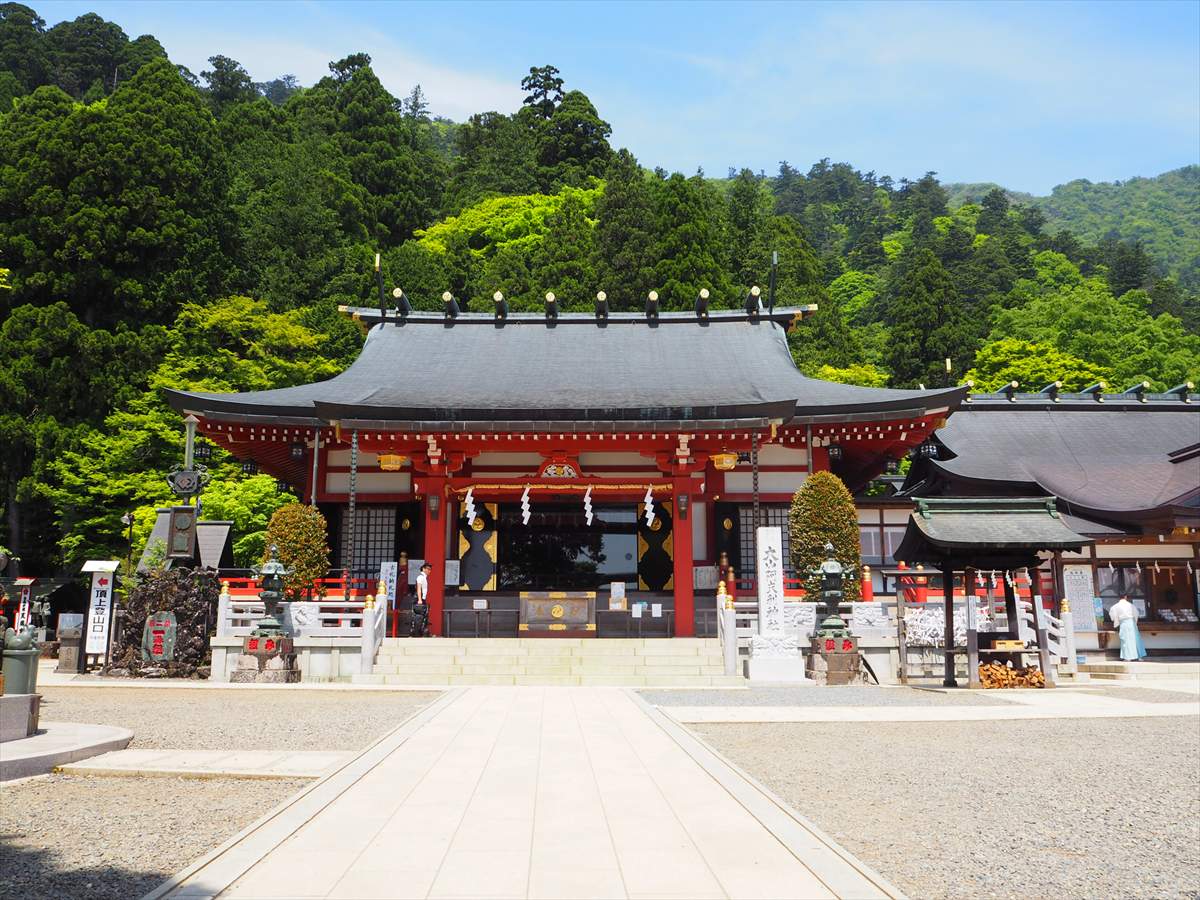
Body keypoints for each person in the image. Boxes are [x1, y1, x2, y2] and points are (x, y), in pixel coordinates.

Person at [1108, 594, 1147, 661]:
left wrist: (1117, 621)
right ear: (1125, 597)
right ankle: (1139, 657)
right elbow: (1136, 613)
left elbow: (1112, 616)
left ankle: (1127, 658)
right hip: (1132, 623)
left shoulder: (1115, 606)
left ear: (1119, 597)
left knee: (1125, 640)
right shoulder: (1131, 605)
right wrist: (1134, 621)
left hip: (1123, 623)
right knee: (1136, 640)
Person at [411, 563, 432, 637]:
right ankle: (416, 632)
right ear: (423, 569)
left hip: (422, 598)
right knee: (418, 616)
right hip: (419, 598)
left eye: (430, 569)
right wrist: (420, 599)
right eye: (428, 569)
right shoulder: (420, 577)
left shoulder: (424, 578)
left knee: (423, 616)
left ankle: (421, 631)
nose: (429, 571)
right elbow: (419, 588)